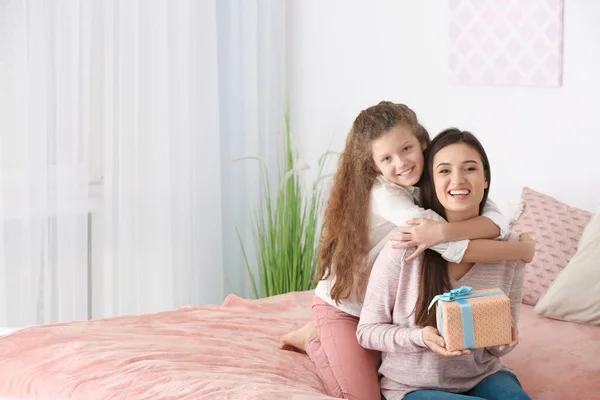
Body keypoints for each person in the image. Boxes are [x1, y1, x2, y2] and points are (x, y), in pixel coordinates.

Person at [280, 102, 535, 400]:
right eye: (386, 158)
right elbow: (450, 248)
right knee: (362, 396)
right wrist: (518, 250)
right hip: (346, 304)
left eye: (406, 149)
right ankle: (316, 339)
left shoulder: (429, 182)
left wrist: (497, 238)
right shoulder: (387, 196)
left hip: (385, 310)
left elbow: (494, 218)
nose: (400, 163)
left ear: (422, 145)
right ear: (374, 165)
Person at [357, 128, 531, 400]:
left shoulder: (508, 249)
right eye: (445, 171)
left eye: (470, 168)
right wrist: (420, 338)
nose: (458, 180)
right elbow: (367, 332)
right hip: (413, 387)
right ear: (431, 181)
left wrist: (504, 340)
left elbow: (499, 346)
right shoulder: (405, 244)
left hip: (482, 376)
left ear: (485, 178)